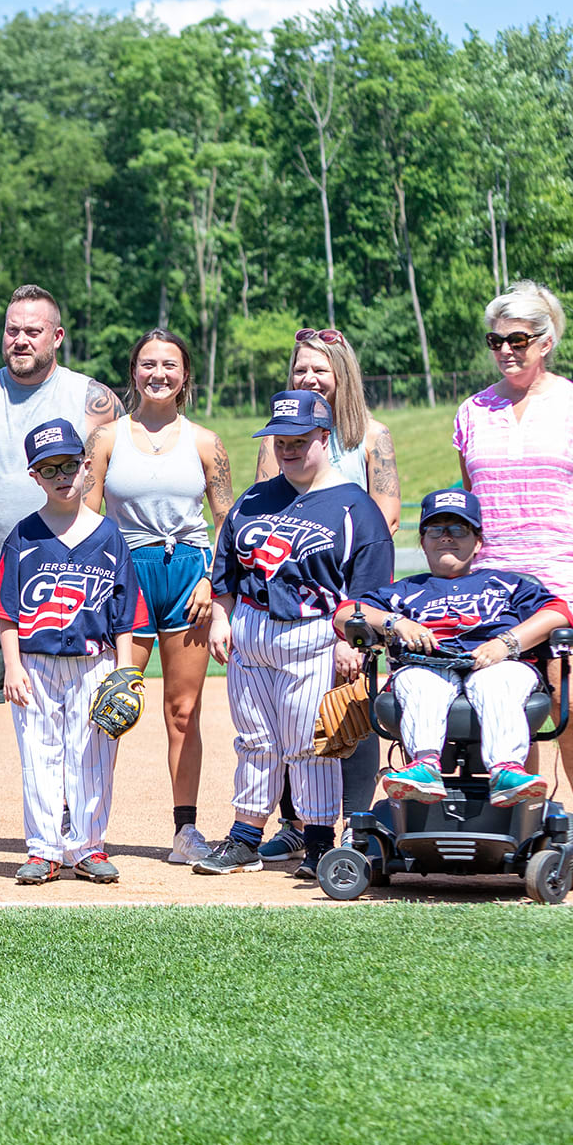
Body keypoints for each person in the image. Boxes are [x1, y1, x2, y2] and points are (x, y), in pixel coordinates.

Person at [191, 390, 393, 881]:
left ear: (324, 437)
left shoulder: (355, 506)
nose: (288, 449)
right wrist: (221, 617)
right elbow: (227, 570)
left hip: (316, 632)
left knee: (309, 743)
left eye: (299, 440)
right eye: (281, 441)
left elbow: (371, 588)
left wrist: (351, 641)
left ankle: (319, 843)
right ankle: (245, 838)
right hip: (251, 630)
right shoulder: (255, 498)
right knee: (255, 740)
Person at [0, 285, 118, 856]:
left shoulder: (91, 398)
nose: (20, 340)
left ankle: (67, 812)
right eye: (12, 329)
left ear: (57, 336)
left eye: (33, 331)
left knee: (70, 705)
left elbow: (104, 477)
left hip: (68, 570)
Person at [454, 281, 573, 871]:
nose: (505, 350)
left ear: (545, 342)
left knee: (567, 702)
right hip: (496, 584)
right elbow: (471, 503)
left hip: (562, 579)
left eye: (518, 339)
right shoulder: (472, 412)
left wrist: (572, 559)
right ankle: (517, 827)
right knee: (506, 701)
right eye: (495, 340)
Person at [82, 329, 234, 864]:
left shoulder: (205, 442)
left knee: (183, 710)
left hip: (188, 577)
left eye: (169, 365)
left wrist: (211, 581)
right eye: (148, 364)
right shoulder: (107, 438)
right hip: (126, 574)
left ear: (185, 374)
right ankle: (85, 828)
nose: (158, 374)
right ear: (134, 371)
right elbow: (86, 518)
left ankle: (185, 830)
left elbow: (228, 522)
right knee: (112, 704)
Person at [252, 327, 399, 863]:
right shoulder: (276, 437)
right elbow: (265, 507)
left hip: (349, 593)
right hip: (291, 596)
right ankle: (296, 825)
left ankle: (354, 826)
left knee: (351, 705)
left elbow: (387, 515)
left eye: (321, 369)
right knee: (290, 714)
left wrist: (353, 606)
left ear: (343, 373)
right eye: (301, 369)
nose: (310, 377)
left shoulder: (371, 435)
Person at [341, 489, 573, 808]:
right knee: (420, 681)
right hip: (427, 666)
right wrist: (397, 622)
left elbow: (558, 612)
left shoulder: (506, 584)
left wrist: (506, 643)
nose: (446, 537)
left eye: (459, 529)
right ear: (423, 541)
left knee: (498, 680)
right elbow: (346, 613)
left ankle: (506, 771)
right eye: (435, 529)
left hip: (497, 664)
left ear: (478, 542)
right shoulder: (403, 591)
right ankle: (425, 768)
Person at [0, 419, 147, 885]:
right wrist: (12, 666)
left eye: (68, 465)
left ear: (86, 467)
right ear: (34, 476)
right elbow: (5, 610)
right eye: (48, 468)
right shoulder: (24, 536)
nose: (61, 476)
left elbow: (126, 612)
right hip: (35, 663)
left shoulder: (109, 535)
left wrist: (124, 671)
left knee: (91, 755)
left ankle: (87, 847)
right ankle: (43, 850)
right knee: (38, 755)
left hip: (95, 662)